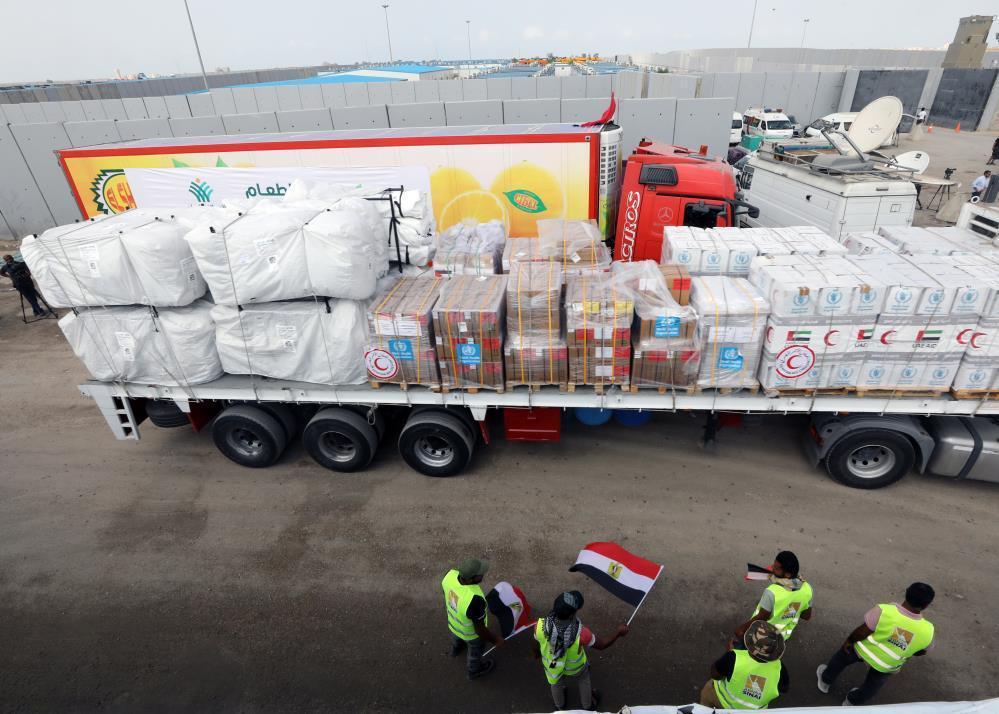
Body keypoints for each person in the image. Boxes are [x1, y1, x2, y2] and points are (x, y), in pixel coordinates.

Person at [816, 582, 936, 706]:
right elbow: (922, 651)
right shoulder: (928, 630)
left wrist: (849, 641)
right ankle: (852, 702)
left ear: (906, 592)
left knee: (842, 658)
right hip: (888, 664)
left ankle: (826, 680)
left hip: (864, 650)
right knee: (873, 685)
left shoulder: (884, 610)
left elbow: (862, 632)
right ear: (926, 605)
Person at [530, 590, 629, 711]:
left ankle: (560, 706)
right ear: (571, 615)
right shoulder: (581, 633)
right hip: (576, 667)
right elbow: (602, 644)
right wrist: (618, 633)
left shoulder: (539, 625)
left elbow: (535, 642)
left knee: (555, 683)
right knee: (583, 678)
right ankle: (588, 705)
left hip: (552, 665)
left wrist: (536, 653)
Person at [702, 620, 789, 709]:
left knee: (708, 690)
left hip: (722, 702)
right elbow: (783, 690)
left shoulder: (733, 657)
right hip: (753, 711)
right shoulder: (781, 670)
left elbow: (715, 675)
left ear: (750, 643)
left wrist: (728, 654)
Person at [441, 557, 502, 680]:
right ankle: (474, 671)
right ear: (470, 579)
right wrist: (496, 640)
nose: (482, 574)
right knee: (475, 653)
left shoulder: (449, 575)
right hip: (470, 635)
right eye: (479, 574)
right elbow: (480, 630)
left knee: (456, 639)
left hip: (453, 624)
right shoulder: (474, 599)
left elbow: (446, 594)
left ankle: (456, 650)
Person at [734, 551, 813, 643]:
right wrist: (790, 611)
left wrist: (742, 629)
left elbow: (762, 617)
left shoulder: (772, 592)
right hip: (781, 638)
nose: (771, 568)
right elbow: (806, 616)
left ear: (787, 574)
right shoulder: (807, 588)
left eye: (776, 568)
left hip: (760, 636)